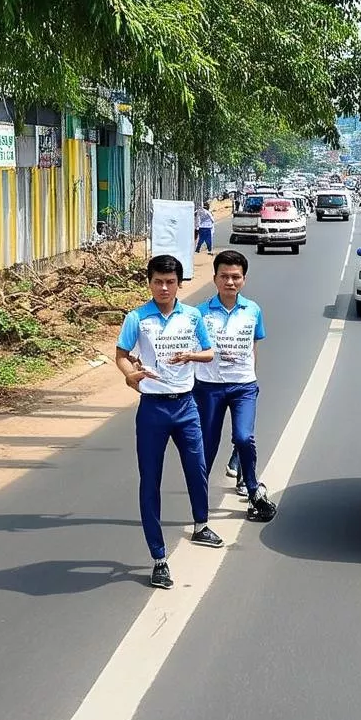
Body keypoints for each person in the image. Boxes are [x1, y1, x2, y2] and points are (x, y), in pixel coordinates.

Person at [115, 255, 224, 590]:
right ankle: (158, 558)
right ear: (149, 282)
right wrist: (131, 375)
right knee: (151, 480)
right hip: (152, 410)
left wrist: (190, 356)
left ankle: (201, 524)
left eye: (170, 281)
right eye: (158, 281)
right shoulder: (137, 318)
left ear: (179, 283)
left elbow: (209, 352)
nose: (164, 288)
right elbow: (120, 354)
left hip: (187, 405)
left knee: (198, 466)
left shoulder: (192, 316)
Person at [193, 250, 278, 523]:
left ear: (244, 279)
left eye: (236, 277)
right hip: (208, 387)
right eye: (224, 276)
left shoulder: (253, 310)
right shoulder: (199, 313)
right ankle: (199, 500)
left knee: (243, 437)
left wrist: (250, 378)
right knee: (207, 444)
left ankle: (253, 489)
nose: (230, 282)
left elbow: (254, 345)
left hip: (243, 387)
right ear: (215, 278)